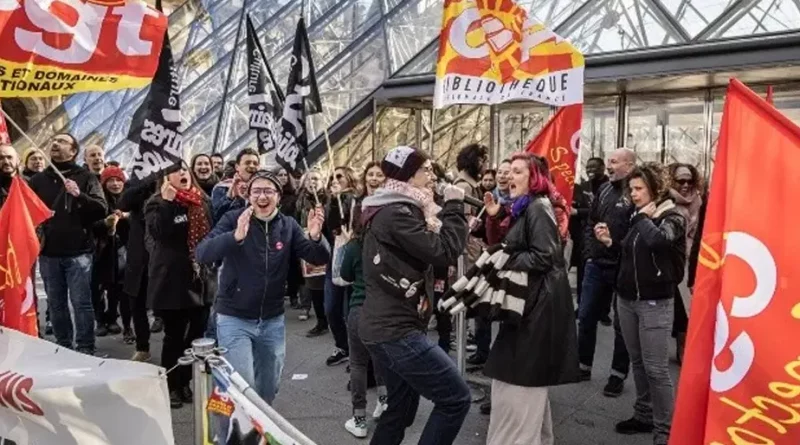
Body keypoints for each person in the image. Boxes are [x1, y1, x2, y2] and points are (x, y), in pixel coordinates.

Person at [360, 146, 470, 445]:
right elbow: (445, 252)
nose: (432, 176)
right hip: (396, 330)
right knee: (456, 399)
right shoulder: (397, 213)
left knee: (400, 409)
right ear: (408, 175)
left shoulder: (398, 207)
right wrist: (455, 208)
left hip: (386, 324)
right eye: (426, 170)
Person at [196, 170, 330, 405]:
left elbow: (318, 258)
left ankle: (258, 434)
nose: (262, 196)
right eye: (256, 191)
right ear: (248, 196)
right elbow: (203, 253)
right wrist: (235, 236)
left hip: (272, 320)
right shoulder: (233, 219)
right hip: (234, 318)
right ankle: (234, 437)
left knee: (268, 388)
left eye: (268, 190)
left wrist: (317, 237)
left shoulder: (288, 226)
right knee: (242, 386)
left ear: (278, 196)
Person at [480, 153, 580, 445]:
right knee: (523, 385)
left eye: (518, 172)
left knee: (520, 382)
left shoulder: (538, 207)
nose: (510, 177)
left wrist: (504, 258)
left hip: (537, 310)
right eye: (509, 171)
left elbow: (545, 256)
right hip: (531, 306)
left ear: (535, 178)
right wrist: (497, 217)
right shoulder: (525, 207)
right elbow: (507, 241)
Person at [595, 162, 685, 445]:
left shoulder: (672, 215)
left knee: (657, 369)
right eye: (631, 189)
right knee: (638, 363)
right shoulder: (640, 214)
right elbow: (635, 253)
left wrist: (641, 220)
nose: (633, 194)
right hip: (627, 299)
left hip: (655, 303)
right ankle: (644, 414)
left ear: (655, 189)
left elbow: (660, 242)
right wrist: (611, 242)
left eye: (639, 189)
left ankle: (665, 432)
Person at [30, 133, 107, 355]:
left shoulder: (86, 178)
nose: (55, 143)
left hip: (79, 252)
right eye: (53, 140)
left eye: (62, 141)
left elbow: (102, 209)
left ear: (73, 151)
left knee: (81, 303)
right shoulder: (38, 180)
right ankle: (64, 348)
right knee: (56, 304)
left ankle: (85, 348)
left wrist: (79, 195)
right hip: (49, 253)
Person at [145, 166, 213, 408]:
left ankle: (185, 382)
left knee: (195, 334)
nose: (182, 173)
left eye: (185, 169)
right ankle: (171, 385)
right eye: (175, 171)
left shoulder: (201, 200)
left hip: (199, 278)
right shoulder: (156, 204)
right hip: (171, 281)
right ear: (166, 179)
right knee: (174, 337)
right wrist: (167, 203)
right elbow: (159, 233)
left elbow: (212, 231)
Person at [577, 148, 635, 397]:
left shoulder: (635, 192)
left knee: (622, 325)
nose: (608, 166)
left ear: (629, 165)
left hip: (623, 266)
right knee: (586, 315)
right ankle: (582, 365)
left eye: (613, 162)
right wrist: (591, 252)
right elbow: (591, 222)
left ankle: (617, 374)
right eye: (608, 162)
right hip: (596, 264)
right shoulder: (604, 190)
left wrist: (618, 247)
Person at [340, 204, 387, 438]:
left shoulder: (354, 245)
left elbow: (345, 275)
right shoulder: (388, 242)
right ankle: (384, 401)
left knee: (358, 363)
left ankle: (359, 418)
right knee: (380, 358)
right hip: (382, 309)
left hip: (359, 307)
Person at [454, 143, 491, 366]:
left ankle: (481, 349)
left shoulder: (470, 185)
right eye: (482, 160)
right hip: (470, 254)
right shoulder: (464, 188)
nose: (485, 165)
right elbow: (465, 225)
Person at [119, 174, 158, 362]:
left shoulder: (172, 178)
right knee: (136, 302)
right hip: (138, 254)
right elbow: (124, 202)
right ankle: (142, 346)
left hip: (163, 254)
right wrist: (146, 183)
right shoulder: (137, 180)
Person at [92, 166, 133, 342]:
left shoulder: (129, 200)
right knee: (98, 287)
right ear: (104, 183)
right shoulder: (100, 201)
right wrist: (106, 223)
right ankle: (100, 320)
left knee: (119, 288)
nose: (115, 184)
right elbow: (92, 225)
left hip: (122, 250)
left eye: (118, 180)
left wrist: (125, 216)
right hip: (101, 250)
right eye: (111, 181)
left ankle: (115, 319)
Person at [668, 163, 703, 363]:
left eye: (690, 180)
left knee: (684, 309)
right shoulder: (666, 200)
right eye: (681, 180)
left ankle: (682, 348)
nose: (686, 185)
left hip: (690, 260)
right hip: (669, 259)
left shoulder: (699, 200)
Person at [324, 166, 357, 366]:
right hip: (335, 256)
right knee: (331, 307)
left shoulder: (355, 199)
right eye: (333, 177)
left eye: (340, 177)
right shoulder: (331, 201)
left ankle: (357, 352)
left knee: (351, 310)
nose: (335, 180)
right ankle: (342, 345)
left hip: (352, 258)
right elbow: (333, 225)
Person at [570, 157, 609, 315]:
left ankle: (604, 311)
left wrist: (579, 212)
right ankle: (582, 305)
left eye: (594, 167)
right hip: (583, 238)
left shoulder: (609, 187)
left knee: (605, 276)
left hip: (604, 237)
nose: (590, 170)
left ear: (603, 168)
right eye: (588, 167)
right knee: (583, 274)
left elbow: (600, 212)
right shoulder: (582, 187)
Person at [296, 170, 329, 332]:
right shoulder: (300, 201)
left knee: (329, 287)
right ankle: (321, 321)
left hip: (326, 245)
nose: (312, 182)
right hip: (307, 246)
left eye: (315, 179)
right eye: (308, 179)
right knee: (314, 286)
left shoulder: (329, 199)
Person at [211, 148, 259, 223]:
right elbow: (216, 217)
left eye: (255, 163)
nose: (252, 166)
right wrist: (231, 196)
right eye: (247, 163)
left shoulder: (263, 190)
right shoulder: (222, 188)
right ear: (237, 167)